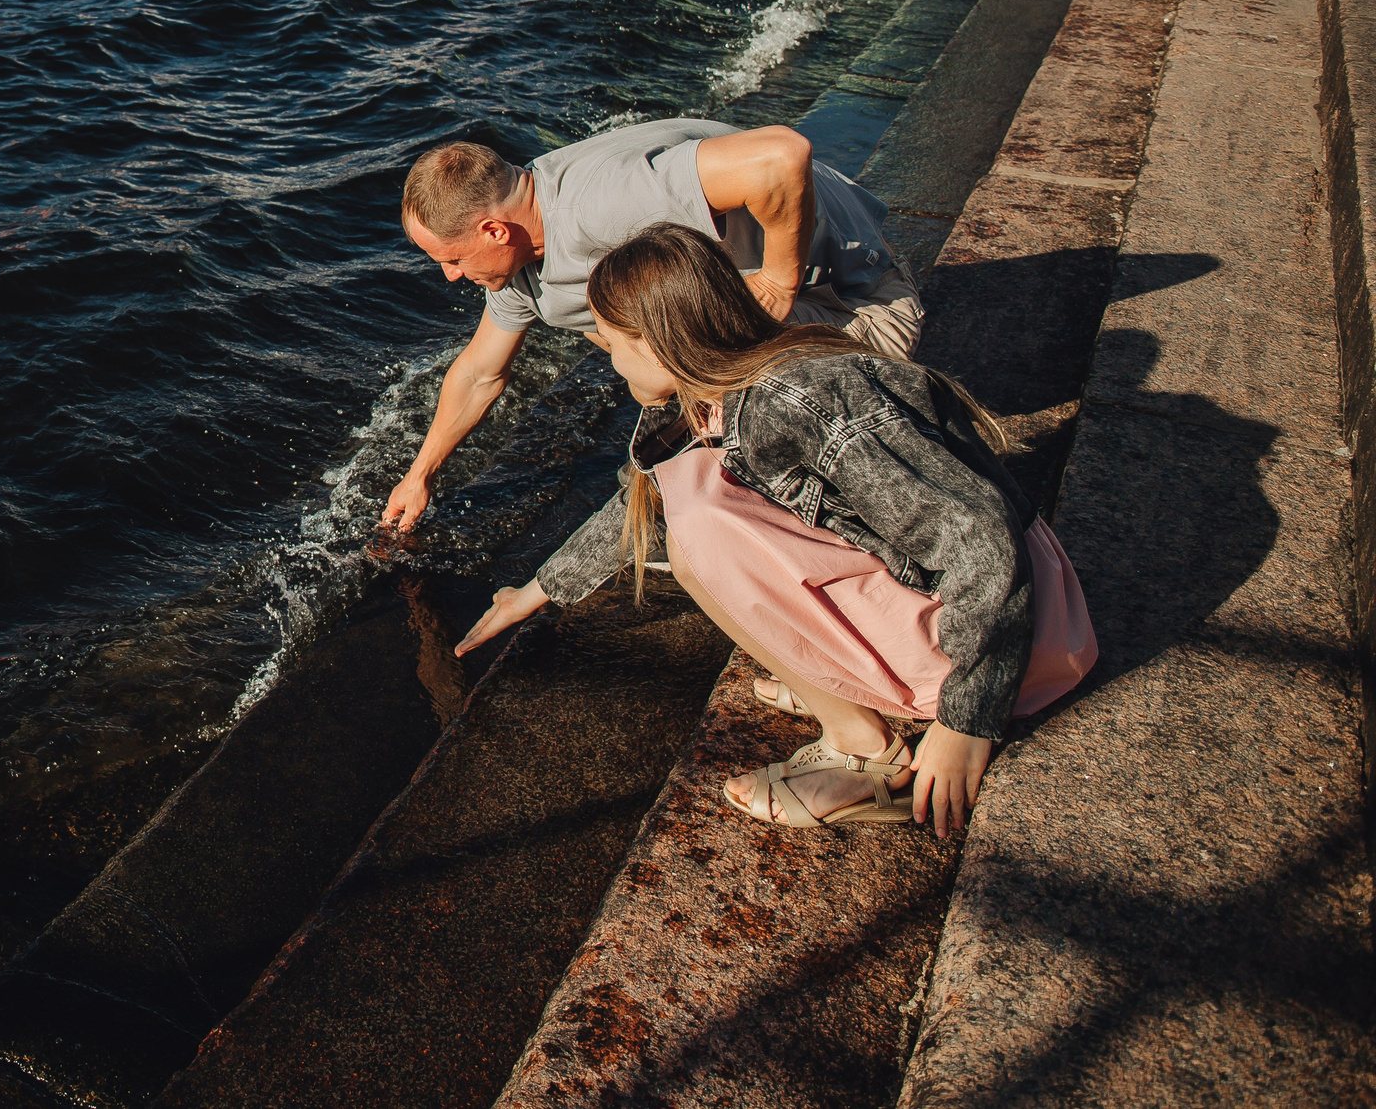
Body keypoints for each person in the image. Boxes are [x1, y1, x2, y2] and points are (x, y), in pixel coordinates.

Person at [454, 224, 1097, 835]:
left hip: (1014, 643)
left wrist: (967, 723)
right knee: (686, 499)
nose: (609, 360)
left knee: (699, 530)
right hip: (989, 617)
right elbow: (638, 501)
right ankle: (853, 684)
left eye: (611, 340)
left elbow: (979, 535)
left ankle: (865, 750)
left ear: (656, 340)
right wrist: (537, 590)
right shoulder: (718, 393)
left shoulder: (795, 400)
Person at [381, 122, 920, 537]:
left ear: (494, 229)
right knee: (649, 365)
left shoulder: (601, 203)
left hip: (862, 306)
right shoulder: (519, 260)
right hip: (799, 320)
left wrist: (779, 281)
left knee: (657, 370)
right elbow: (480, 371)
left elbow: (782, 154)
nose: (450, 276)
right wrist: (420, 475)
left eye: (450, 259)